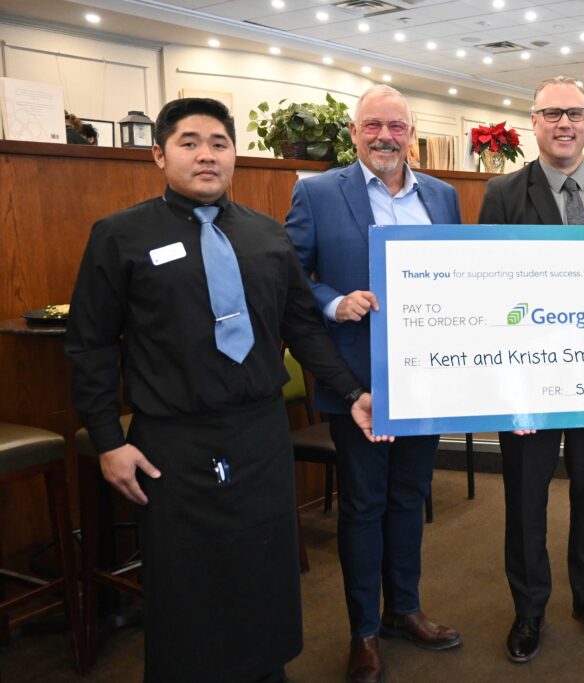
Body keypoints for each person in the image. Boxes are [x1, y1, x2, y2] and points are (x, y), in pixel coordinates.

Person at [66, 97, 387, 683]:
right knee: (187, 581)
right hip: (174, 441)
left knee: (263, 568)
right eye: (189, 143)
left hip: (261, 432)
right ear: (159, 154)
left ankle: (267, 671)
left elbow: (302, 327)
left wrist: (351, 393)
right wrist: (110, 440)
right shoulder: (120, 236)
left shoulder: (267, 236)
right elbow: (89, 345)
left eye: (219, 143)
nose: (206, 155)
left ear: (234, 154)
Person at [285, 84, 462, 683]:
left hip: (427, 379)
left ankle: (403, 610)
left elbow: (457, 276)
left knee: (409, 499)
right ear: (355, 132)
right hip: (357, 383)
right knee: (363, 507)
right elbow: (289, 280)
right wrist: (334, 302)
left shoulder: (442, 195)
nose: (385, 136)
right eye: (373, 126)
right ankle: (363, 630)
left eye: (397, 126)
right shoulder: (316, 193)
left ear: (411, 133)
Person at [478, 76, 584, 663]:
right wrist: (507, 390)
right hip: (531, 379)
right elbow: (489, 292)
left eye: (574, 112)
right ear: (535, 123)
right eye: (553, 114)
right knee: (526, 501)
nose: (565, 124)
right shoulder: (503, 192)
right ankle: (529, 611)